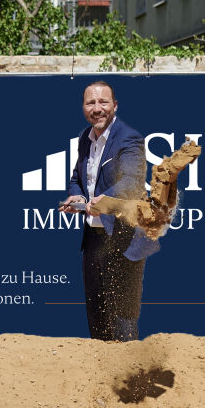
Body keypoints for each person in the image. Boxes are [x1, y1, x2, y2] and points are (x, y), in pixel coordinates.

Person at [59, 80, 158, 341]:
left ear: (115, 105)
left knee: (123, 317)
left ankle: (129, 367)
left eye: (103, 102)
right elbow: (77, 177)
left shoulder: (129, 138)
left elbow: (132, 182)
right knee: (97, 313)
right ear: (83, 107)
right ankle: (100, 366)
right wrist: (78, 195)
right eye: (90, 102)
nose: (97, 108)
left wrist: (104, 200)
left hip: (125, 237)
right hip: (93, 238)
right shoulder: (85, 137)